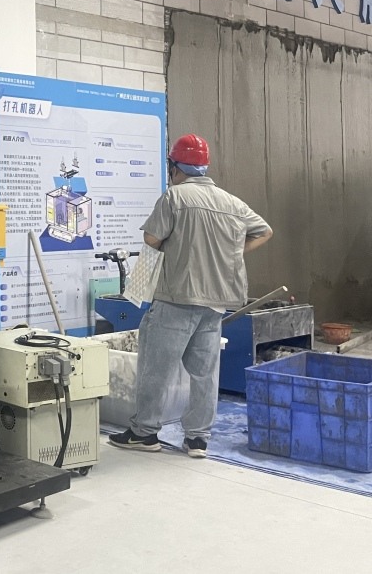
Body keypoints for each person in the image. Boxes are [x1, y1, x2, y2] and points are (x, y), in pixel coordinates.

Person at [109, 133, 272, 458]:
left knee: (156, 367)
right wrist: (231, 253)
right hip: (216, 302)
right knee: (204, 372)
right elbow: (265, 231)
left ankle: (144, 433)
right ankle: (198, 439)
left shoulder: (174, 197)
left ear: (174, 166)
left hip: (177, 298)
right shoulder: (232, 202)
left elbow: (152, 239)